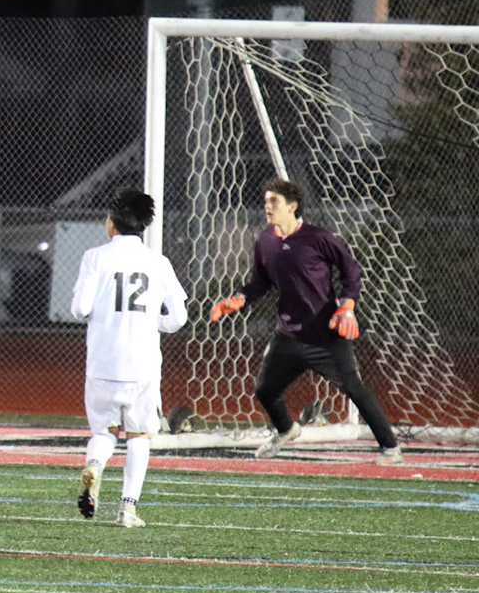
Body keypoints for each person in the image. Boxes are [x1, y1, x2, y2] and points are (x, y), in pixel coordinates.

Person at [209, 178, 402, 465]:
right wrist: (238, 299)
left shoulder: (318, 238)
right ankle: (286, 430)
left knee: (354, 389)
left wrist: (347, 306)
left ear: (292, 206)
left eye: (274, 201)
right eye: (266, 201)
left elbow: (351, 271)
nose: (267, 206)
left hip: (325, 335)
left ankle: (390, 449)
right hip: (288, 335)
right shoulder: (265, 240)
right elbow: (260, 282)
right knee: (265, 390)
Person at [69, 188, 188, 527]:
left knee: (104, 431)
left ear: (112, 222)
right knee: (139, 436)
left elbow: (79, 309)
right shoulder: (158, 262)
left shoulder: (95, 257)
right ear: (144, 224)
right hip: (143, 365)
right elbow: (178, 317)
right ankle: (127, 508)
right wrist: (153, 322)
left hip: (103, 362)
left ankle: (95, 466)